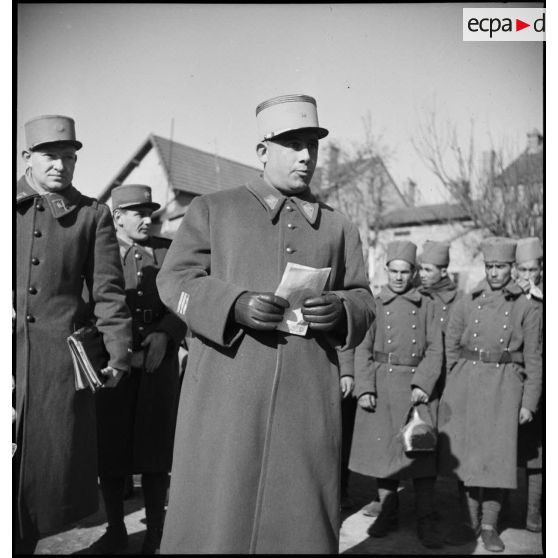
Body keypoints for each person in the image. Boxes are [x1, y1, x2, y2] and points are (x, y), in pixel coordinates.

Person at [156, 93, 375, 554]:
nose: (305, 156)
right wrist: (233, 304)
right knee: (218, 516)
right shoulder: (214, 210)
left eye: (311, 145)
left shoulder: (339, 227)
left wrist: (341, 309)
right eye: (292, 144)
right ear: (262, 151)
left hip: (306, 402)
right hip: (225, 396)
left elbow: (363, 298)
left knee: (298, 521)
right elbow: (174, 279)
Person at [14, 115, 132, 554]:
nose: (61, 165)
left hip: (56, 370)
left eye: (69, 157)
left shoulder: (92, 215)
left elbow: (108, 291)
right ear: (26, 157)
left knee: (40, 480)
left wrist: (118, 354)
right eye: (50, 156)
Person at [89, 185, 188, 554]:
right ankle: (116, 531)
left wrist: (167, 333)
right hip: (114, 364)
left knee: (156, 452)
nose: (147, 220)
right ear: (117, 217)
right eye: (138, 213)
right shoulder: (100, 252)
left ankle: (156, 536)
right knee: (111, 450)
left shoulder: (169, 251)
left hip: (159, 364)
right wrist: (119, 352)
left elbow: (185, 298)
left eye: (150, 213)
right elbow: (89, 306)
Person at [437, 237, 542, 552]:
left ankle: (489, 526)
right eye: (490, 266)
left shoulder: (526, 307)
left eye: (501, 267)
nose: (494, 273)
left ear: (512, 268)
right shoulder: (467, 300)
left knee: (498, 459)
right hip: (466, 384)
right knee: (467, 457)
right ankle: (467, 523)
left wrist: (528, 402)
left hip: (505, 387)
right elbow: (451, 341)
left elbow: (535, 359)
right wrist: (455, 379)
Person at [349, 240, 444, 549]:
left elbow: (435, 350)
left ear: (413, 272)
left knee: (421, 456)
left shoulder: (427, 305)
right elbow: (362, 348)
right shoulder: (374, 304)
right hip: (382, 384)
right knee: (384, 454)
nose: (399, 277)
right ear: (386, 270)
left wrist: (423, 384)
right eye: (394, 271)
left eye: (405, 272)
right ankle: (388, 512)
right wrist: (365, 387)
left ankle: (425, 519)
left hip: (415, 389)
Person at [515, 237, 543, 533]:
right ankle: (500, 511)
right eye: (521, 270)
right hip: (512, 380)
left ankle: (533, 511)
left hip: (540, 384)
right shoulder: (508, 297)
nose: (526, 276)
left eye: (532, 270)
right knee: (507, 448)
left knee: (537, 453)